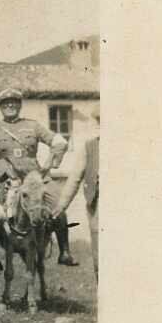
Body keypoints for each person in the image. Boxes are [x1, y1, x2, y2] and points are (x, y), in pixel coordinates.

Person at [0, 87, 78, 270]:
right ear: (1, 107)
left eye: (14, 103)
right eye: (6, 103)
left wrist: (52, 160)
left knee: (58, 206)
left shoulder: (33, 126)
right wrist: (6, 173)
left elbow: (58, 141)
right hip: (7, 180)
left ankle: (64, 252)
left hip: (35, 179)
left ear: (20, 105)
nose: (10, 106)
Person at [54, 103, 100, 280]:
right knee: (100, 253)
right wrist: (62, 205)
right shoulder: (89, 147)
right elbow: (74, 177)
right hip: (97, 205)